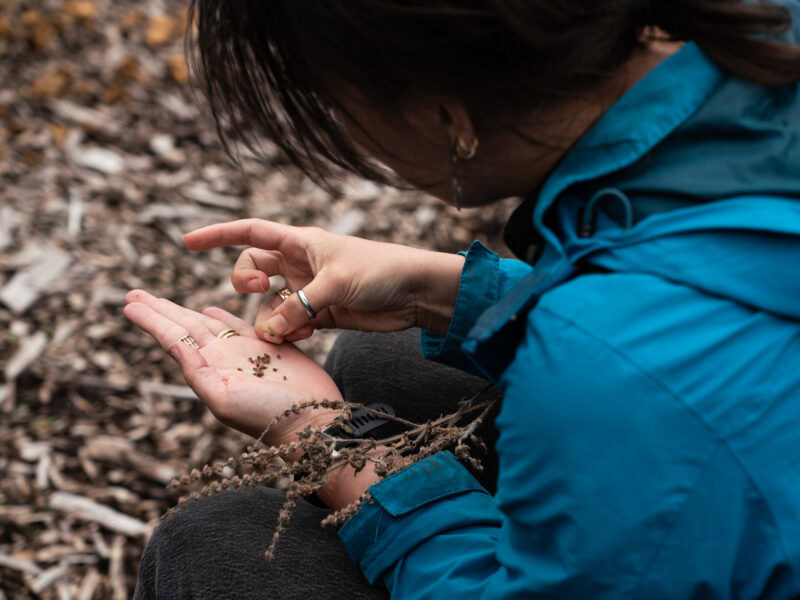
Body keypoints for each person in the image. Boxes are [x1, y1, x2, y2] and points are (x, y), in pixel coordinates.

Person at [123, 1, 800, 598]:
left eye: (332, 102)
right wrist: (441, 290)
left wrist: (327, 443)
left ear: (447, 115)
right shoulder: (760, 36)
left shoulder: (617, 373)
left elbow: (643, 367)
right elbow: (717, 297)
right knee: (383, 357)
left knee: (212, 546)